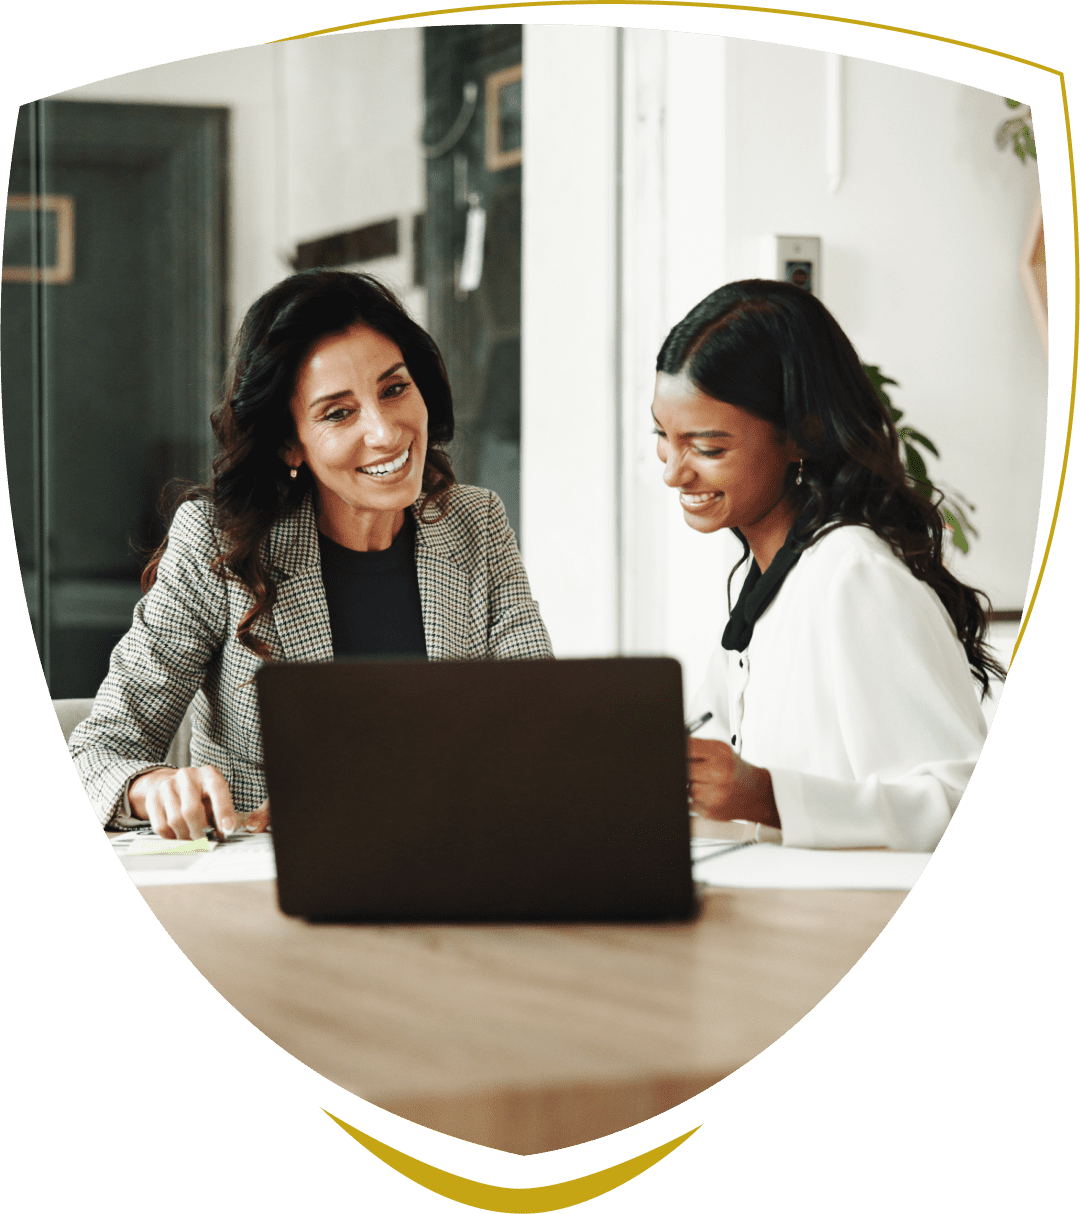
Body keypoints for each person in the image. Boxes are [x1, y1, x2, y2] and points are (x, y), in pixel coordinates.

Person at [69, 270, 552, 839]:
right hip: (269, 893)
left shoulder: (476, 523)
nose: (385, 433)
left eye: (394, 389)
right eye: (338, 413)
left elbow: (540, 732)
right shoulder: (215, 542)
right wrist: (151, 786)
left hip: (447, 867)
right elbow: (96, 754)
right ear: (288, 443)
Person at [653, 279, 1002, 852]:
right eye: (663, 437)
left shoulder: (854, 575)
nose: (673, 472)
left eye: (708, 448)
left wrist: (768, 797)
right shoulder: (762, 581)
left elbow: (967, 804)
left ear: (800, 437)